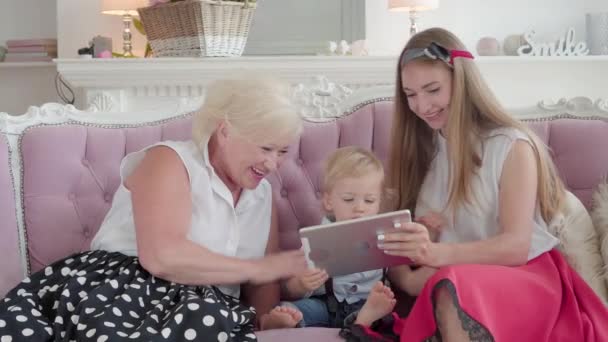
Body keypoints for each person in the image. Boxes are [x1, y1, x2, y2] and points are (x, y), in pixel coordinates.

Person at [0, 77, 309, 341]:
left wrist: (268, 318)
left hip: (210, 307)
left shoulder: (261, 195)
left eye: (282, 151)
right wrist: (260, 268)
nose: (273, 163)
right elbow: (162, 256)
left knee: (208, 315)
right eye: (265, 148)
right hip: (127, 286)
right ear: (225, 131)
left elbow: (263, 284)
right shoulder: (170, 160)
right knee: (202, 315)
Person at [352, 27, 608, 341]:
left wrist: (435, 254)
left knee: (450, 286)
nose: (421, 106)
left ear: (462, 83)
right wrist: (409, 270)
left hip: (526, 278)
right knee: (448, 285)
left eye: (432, 89)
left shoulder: (512, 145)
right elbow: (401, 260)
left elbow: (516, 246)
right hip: (448, 280)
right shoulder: (421, 152)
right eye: (410, 95)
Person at [277, 146, 400, 332]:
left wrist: (428, 232)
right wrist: (301, 284)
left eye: (369, 200)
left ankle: (362, 320)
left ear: (379, 202)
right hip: (327, 304)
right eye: (349, 199)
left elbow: (407, 259)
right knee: (295, 309)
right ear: (329, 201)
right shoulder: (318, 236)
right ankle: (280, 321)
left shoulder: (385, 232)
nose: (360, 208)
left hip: (368, 304)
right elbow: (292, 287)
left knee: (386, 317)